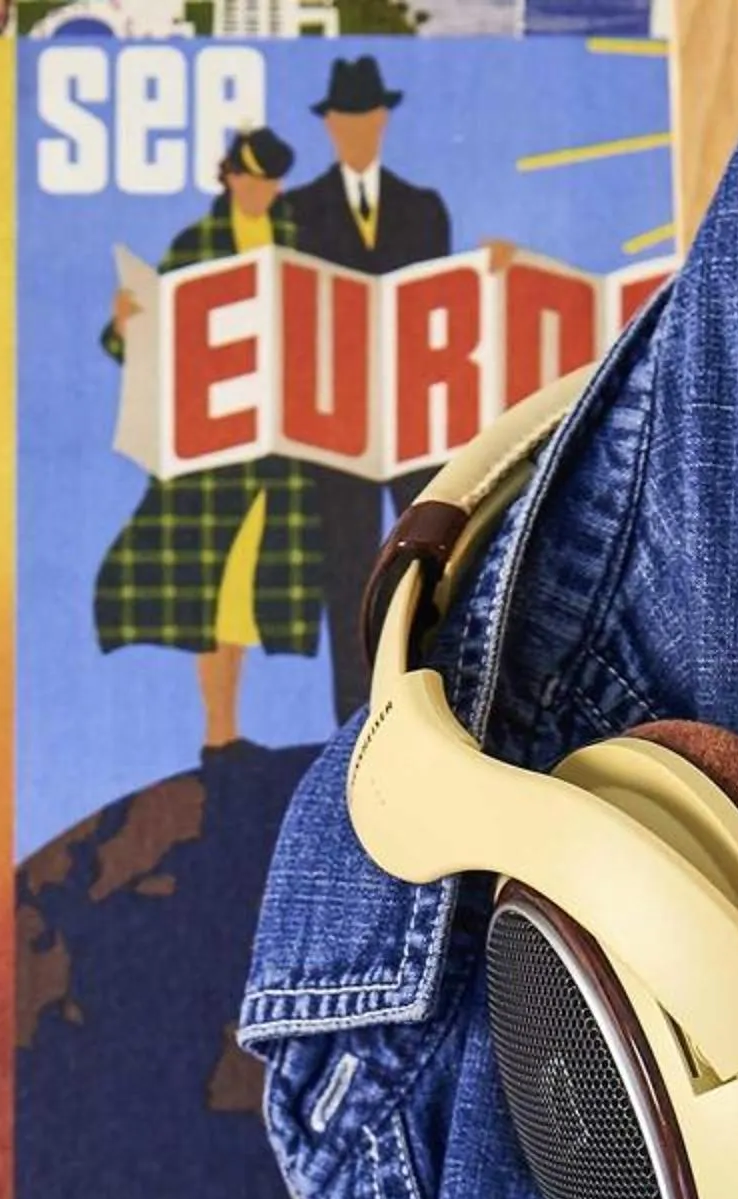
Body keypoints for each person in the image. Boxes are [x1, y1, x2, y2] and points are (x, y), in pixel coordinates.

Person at [93, 127, 321, 757]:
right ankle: (219, 730)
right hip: (215, 454)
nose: (261, 192)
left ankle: (230, 730)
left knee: (254, 589)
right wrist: (123, 325)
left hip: (282, 449)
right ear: (230, 179)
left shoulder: (299, 234)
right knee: (214, 594)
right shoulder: (196, 244)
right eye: (251, 180)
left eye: (271, 182)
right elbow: (143, 337)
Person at [282, 56, 450, 726]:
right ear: (331, 127)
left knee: (434, 563)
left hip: (412, 413)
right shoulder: (298, 210)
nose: (357, 130)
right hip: (334, 421)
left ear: (381, 121)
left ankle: (431, 707)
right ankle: (353, 725)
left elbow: (440, 304)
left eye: (366, 117)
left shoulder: (422, 208)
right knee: (347, 570)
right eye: (345, 119)